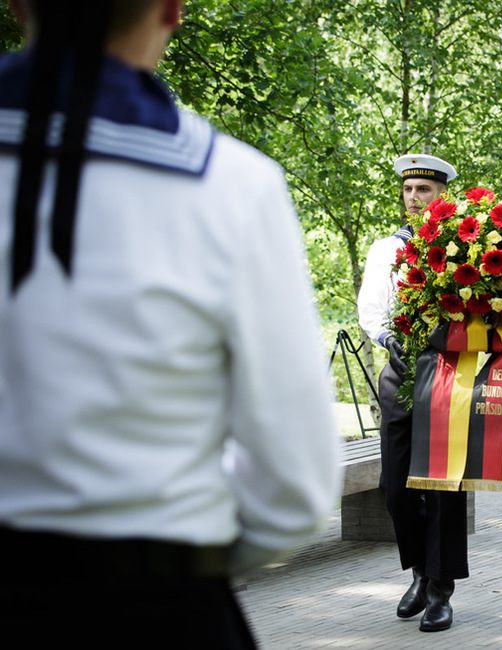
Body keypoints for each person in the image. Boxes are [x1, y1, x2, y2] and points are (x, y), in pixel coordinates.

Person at [0, 1, 341, 647]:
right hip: (152, 601)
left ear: (18, 4)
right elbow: (293, 483)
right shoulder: (233, 184)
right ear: (173, 10)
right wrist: (188, 560)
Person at [357, 153, 468, 632]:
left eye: (424, 189)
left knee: (443, 487)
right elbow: (370, 308)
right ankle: (420, 570)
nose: (415, 198)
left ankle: (441, 589)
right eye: (408, 190)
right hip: (399, 374)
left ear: (442, 194)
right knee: (395, 487)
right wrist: (388, 339)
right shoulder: (386, 248)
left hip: (448, 372)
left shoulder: (467, 244)